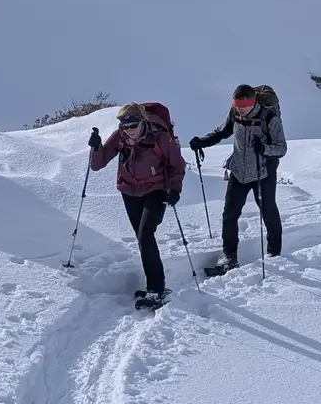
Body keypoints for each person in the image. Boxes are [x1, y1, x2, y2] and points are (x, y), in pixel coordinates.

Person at [88, 102, 186, 305]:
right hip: (130, 191)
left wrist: (175, 189)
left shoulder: (160, 137)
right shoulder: (120, 136)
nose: (128, 131)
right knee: (142, 239)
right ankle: (153, 286)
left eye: (132, 126)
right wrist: (96, 147)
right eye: (124, 127)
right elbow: (97, 165)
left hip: (156, 189)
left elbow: (177, 165)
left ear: (143, 122)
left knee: (145, 234)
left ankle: (156, 289)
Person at [188, 84, 287, 274]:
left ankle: (274, 255)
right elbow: (222, 132)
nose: (239, 110)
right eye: (236, 106)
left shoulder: (269, 117)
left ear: (252, 103)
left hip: (262, 172)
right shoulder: (235, 113)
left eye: (243, 107)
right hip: (239, 172)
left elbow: (281, 148)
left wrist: (264, 149)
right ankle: (230, 259)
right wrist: (202, 141)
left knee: (268, 213)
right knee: (229, 215)